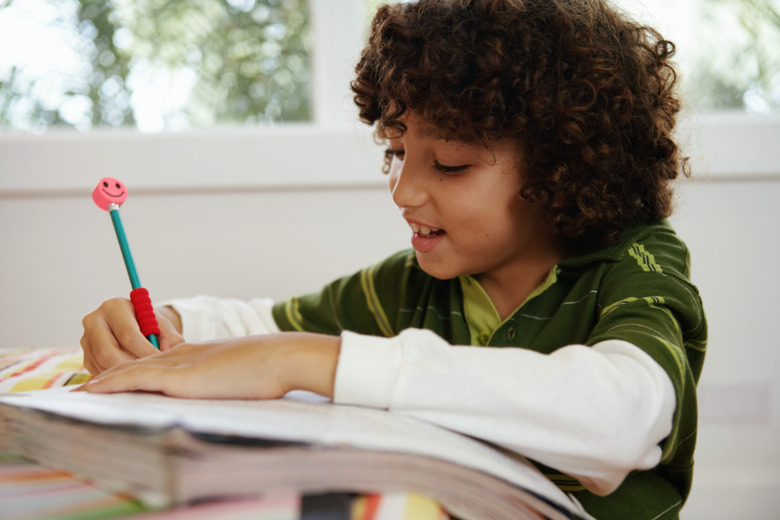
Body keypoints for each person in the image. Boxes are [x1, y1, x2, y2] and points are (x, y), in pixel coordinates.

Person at [80, 0, 707, 518]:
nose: (403, 191)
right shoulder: (410, 286)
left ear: (562, 165)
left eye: (451, 164)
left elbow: (623, 418)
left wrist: (303, 359)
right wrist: (165, 322)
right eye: (398, 150)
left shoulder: (638, 268)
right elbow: (263, 325)